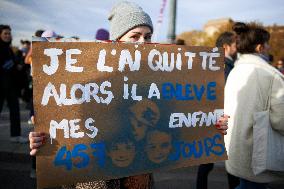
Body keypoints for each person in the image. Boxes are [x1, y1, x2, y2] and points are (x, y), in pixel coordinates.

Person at [29, 1, 229, 189]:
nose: (143, 42)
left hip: (138, 175)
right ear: (118, 40)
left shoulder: (155, 83)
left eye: (148, 36)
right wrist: (43, 138)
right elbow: (64, 125)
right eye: (135, 36)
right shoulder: (90, 80)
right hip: (95, 177)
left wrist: (209, 124)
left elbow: (176, 125)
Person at [224, 22, 284, 189]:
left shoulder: (236, 70)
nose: (269, 47)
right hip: (257, 151)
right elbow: (281, 120)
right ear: (260, 48)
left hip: (236, 146)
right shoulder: (270, 75)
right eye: (267, 44)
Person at [196, 31, 238, 189]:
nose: (238, 48)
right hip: (221, 120)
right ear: (226, 47)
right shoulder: (226, 67)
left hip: (209, 119)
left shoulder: (210, 64)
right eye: (235, 45)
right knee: (232, 165)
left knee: (206, 165)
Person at [0, 24, 27, 143]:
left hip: (11, 85)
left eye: (9, 33)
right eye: (5, 33)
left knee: (15, 110)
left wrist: (18, 66)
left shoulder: (9, 48)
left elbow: (12, 65)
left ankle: (15, 135)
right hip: (0, 85)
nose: (7, 35)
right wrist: (13, 64)